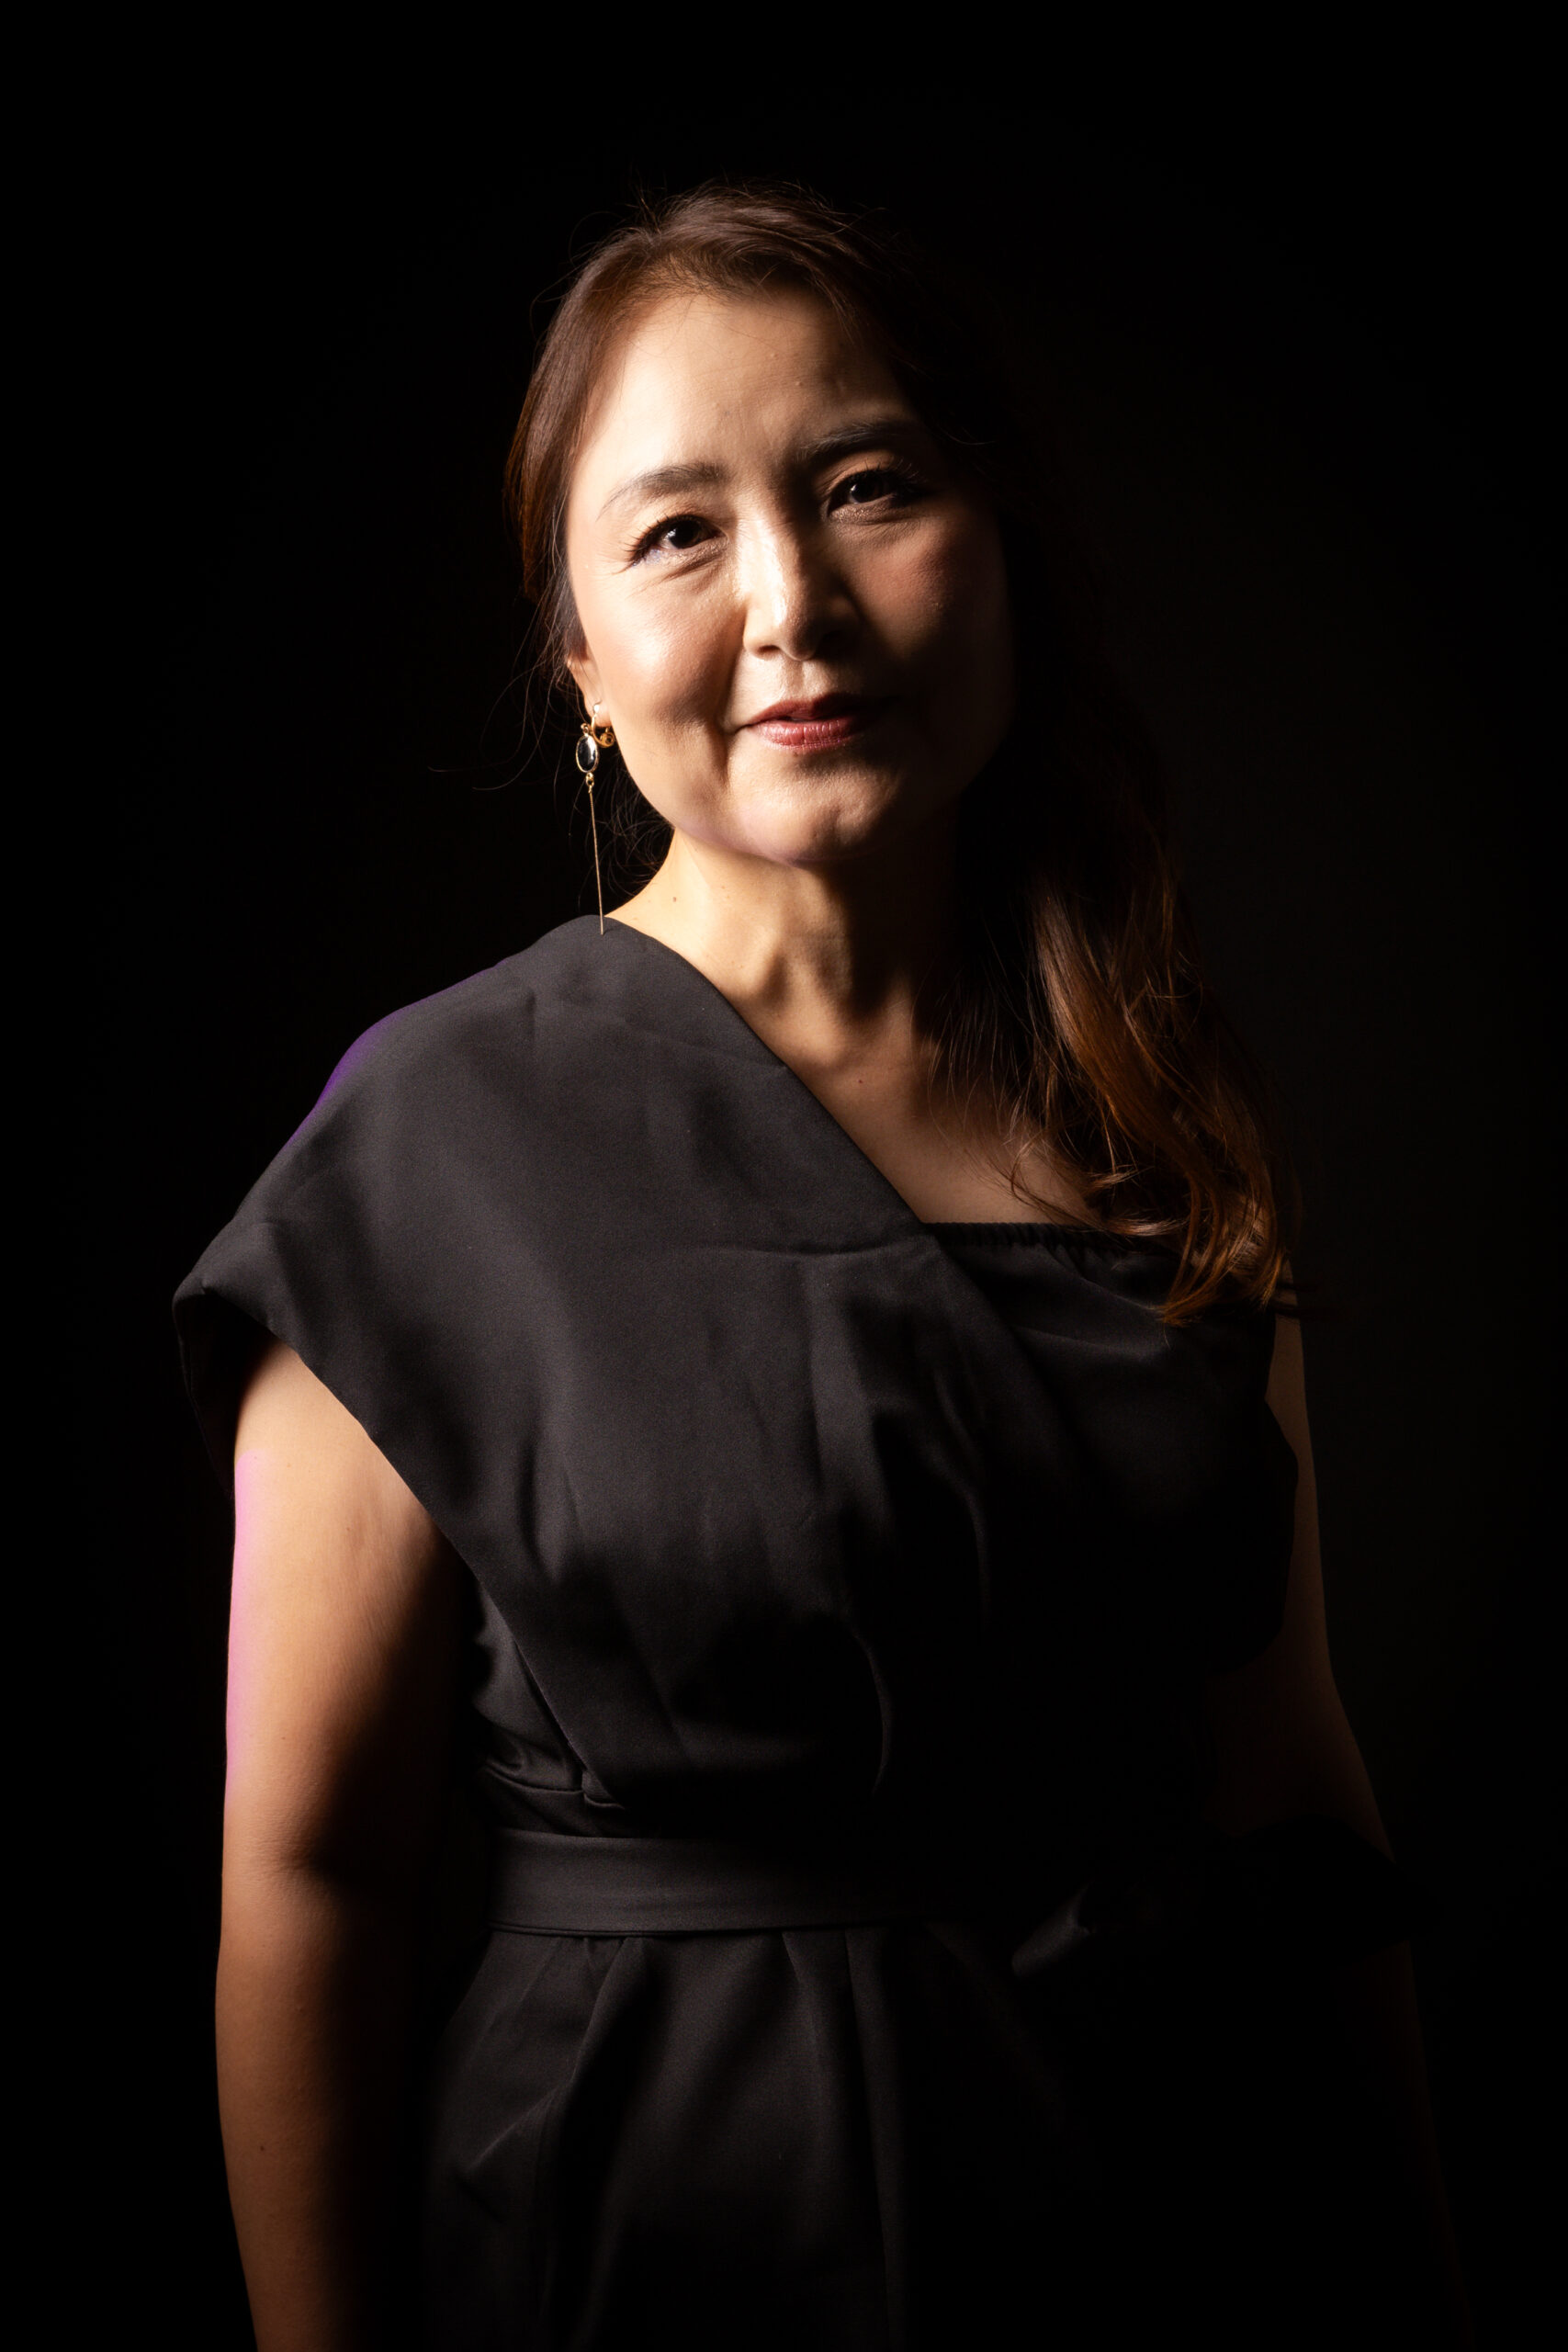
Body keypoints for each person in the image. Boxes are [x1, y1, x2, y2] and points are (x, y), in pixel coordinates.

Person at [176, 184, 1468, 2349]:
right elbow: (314, 1873)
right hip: (632, 2223)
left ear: (997, 548)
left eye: (866, 485)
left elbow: (1287, 1779)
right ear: (582, 671)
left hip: (1167, 2217)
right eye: (678, 533)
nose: (793, 602)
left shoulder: (1154, 1109)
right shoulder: (422, 1144)